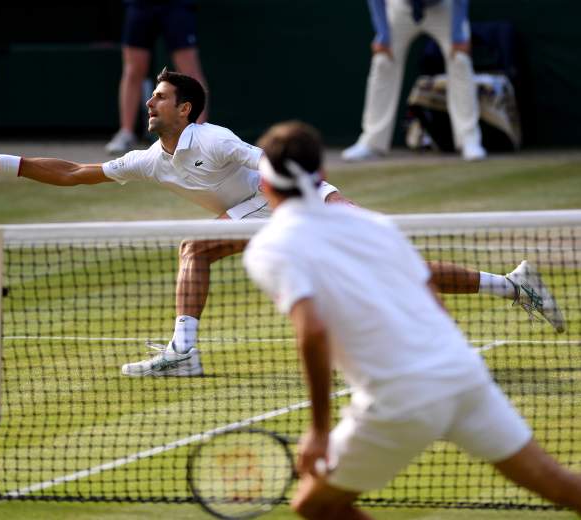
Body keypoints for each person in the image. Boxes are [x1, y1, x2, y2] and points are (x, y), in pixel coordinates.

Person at [0, 69, 564, 379]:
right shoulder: (149, 158)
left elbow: (274, 165)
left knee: (395, 271)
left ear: (186, 109)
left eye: (159, 98)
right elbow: (72, 172)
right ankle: (184, 351)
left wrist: (303, 217)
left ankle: (509, 287)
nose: (149, 105)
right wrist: (7, 163)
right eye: (151, 98)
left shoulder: (214, 138)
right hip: (263, 217)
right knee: (194, 249)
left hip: (301, 202)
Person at [243, 120, 581, 519]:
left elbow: (313, 331)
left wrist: (319, 430)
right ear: (325, 176)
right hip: (463, 373)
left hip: (400, 397)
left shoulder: (270, 248)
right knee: (558, 483)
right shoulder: (374, 224)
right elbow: (431, 298)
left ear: (264, 187)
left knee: (316, 505)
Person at [342, 0, 487, 162]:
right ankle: (372, 142)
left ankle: (469, 139)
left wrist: (457, 35)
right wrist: (383, 34)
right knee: (383, 61)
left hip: (443, 7)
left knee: (460, 60)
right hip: (401, 6)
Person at [105, 0, 208, 155]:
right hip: (140, 5)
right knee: (133, 71)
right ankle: (126, 132)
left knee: (191, 72)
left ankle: (200, 135)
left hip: (176, 7)